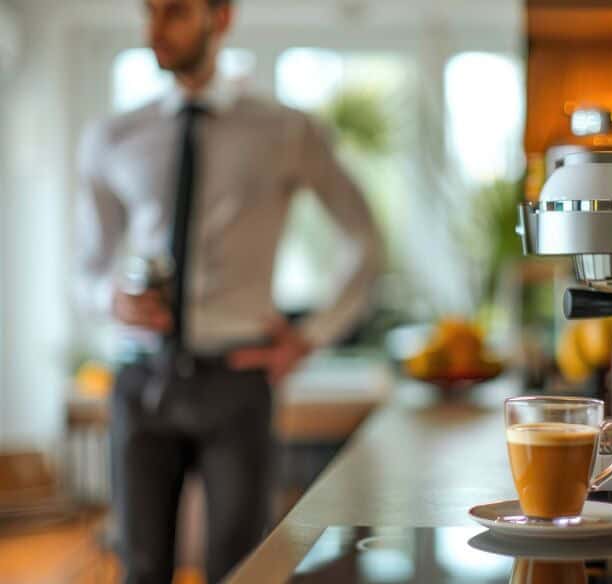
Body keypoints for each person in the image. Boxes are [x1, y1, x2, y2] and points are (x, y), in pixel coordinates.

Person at [75, 0, 382, 582]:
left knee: (241, 570)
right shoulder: (113, 136)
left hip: (237, 382)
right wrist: (110, 299)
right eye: (148, 13)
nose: (153, 30)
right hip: (140, 380)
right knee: (139, 569)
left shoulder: (287, 131)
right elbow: (85, 270)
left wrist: (308, 339)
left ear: (221, 19)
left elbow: (365, 242)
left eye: (174, 13)